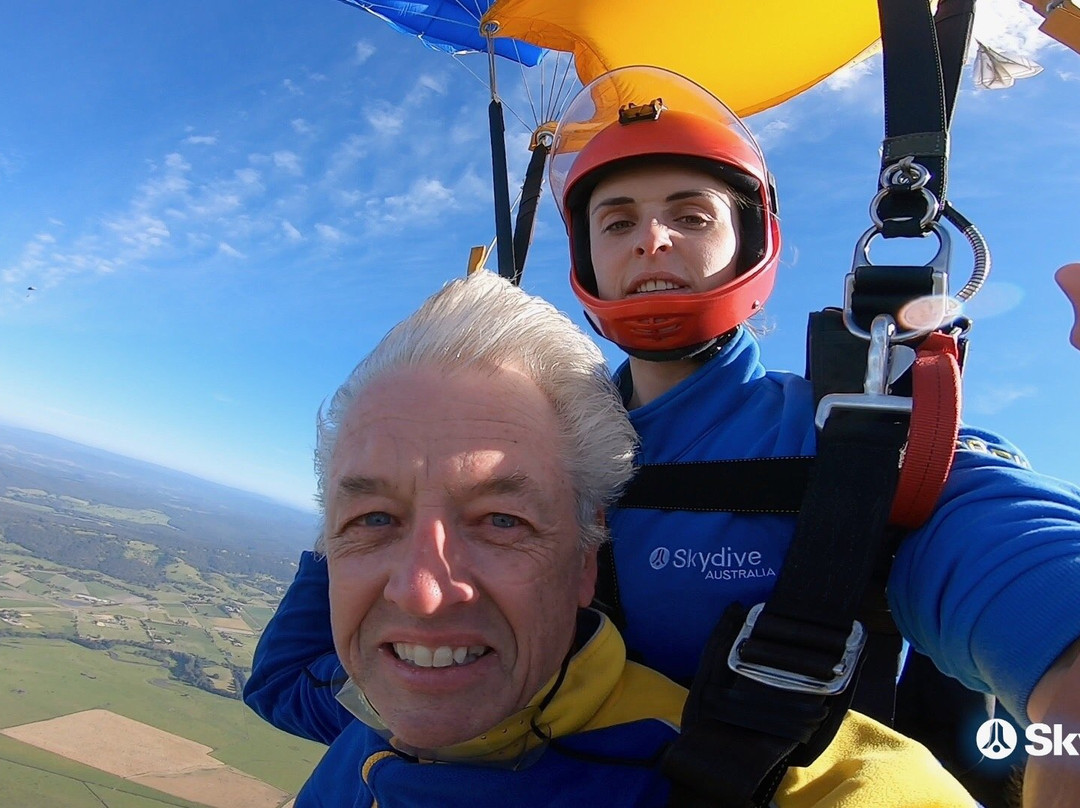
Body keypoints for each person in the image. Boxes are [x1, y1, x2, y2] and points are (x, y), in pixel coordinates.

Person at [245, 270, 977, 806]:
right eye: (373, 520)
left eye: (502, 521)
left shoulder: (757, 776)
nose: (420, 592)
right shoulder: (371, 703)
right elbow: (278, 683)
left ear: (585, 561)